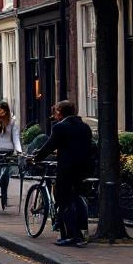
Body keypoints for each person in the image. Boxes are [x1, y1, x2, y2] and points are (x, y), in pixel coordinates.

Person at [31, 100, 94, 246]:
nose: (55, 114)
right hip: (84, 168)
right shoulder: (84, 127)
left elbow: (50, 145)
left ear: (60, 113)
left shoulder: (60, 127)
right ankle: (82, 232)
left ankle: (72, 235)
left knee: (64, 200)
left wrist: (36, 158)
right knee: (77, 198)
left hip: (67, 168)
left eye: (56, 111)